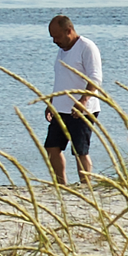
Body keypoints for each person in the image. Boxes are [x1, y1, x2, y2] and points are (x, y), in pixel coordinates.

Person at [41, 14, 103, 184]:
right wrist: (51, 102)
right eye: (52, 37)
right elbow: (61, 79)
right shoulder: (62, 50)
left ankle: (86, 184)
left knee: (80, 150)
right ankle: (61, 184)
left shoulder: (86, 47)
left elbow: (95, 79)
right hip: (60, 109)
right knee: (52, 147)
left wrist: (83, 102)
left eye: (57, 36)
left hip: (82, 110)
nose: (54, 41)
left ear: (69, 30)